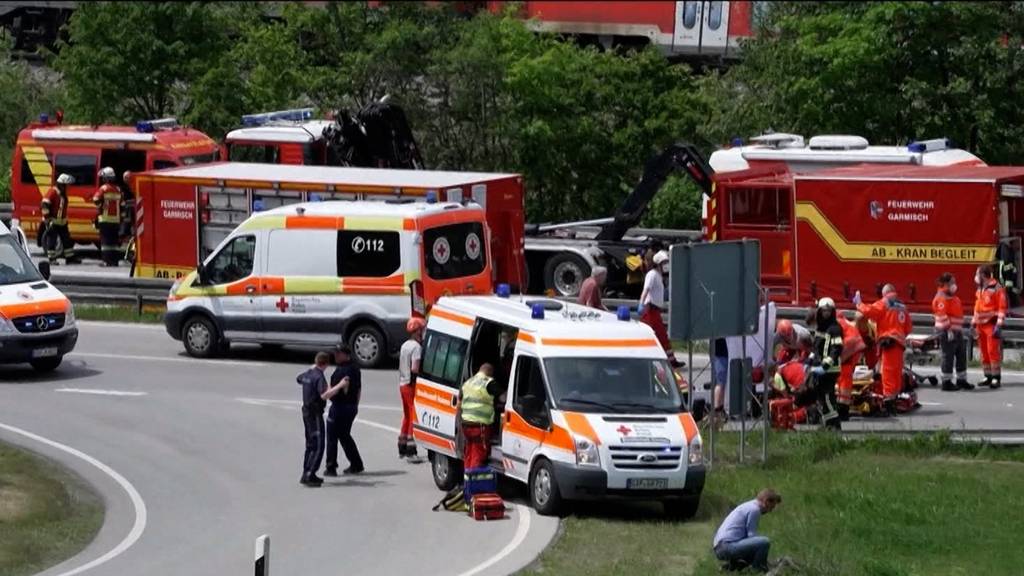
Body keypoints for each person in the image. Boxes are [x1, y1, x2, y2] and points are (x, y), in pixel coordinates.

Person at [855, 284, 913, 416]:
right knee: (896, 373)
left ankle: (889, 404)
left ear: (885, 293)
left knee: (887, 374)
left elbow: (870, 311)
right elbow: (908, 327)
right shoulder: (902, 306)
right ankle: (893, 400)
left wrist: (859, 303)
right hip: (899, 344)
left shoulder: (885, 302)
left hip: (888, 343)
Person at [713, 489, 782, 573]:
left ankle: (731, 567)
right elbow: (751, 536)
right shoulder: (754, 510)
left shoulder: (748, 505)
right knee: (764, 542)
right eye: (771, 507)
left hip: (719, 547)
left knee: (756, 550)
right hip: (726, 546)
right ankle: (757, 570)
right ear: (766, 501)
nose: (770, 511)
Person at [324, 345, 364, 476]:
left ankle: (331, 467)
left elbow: (336, 392)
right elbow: (358, 389)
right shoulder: (355, 368)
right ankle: (356, 464)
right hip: (351, 406)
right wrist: (355, 405)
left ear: (345, 354)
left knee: (332, 436)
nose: (335, 356)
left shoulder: (343, 371)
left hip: (339, 407)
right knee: (344, 435)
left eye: (338, 353)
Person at [807, 297, 843, 430]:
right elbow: (817, 347)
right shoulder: (820, 328)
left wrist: (825, 366)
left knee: (828, 397)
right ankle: (828, 424)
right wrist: (810, 359)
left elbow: (836, 349)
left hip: (830, 370)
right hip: (819, 367)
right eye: (824, 311)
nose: (826, 313)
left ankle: (834, 425)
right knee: (822, 398)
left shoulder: (835, 329)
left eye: (829, 311)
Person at [933, 273, 972, 392]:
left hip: (957, 331)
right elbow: (941, 314)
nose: (954, 285)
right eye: (952, 283)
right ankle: (946, 382)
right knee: (948, 356)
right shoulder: (941, 297)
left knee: (961, 356)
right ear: (945, 284)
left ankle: (961, 380)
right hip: (947, 331)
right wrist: (948, 329)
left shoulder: (952, 297)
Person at [296, 352, 331, 487]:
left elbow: (298, 379)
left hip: (306, 412)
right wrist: (339, 386)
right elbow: (324, 395)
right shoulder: (319, 377)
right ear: (326, 364)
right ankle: (310, 474)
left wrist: (310, 368)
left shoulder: (308, 374)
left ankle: (306, 471)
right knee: (318, 445)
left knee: (310, 444)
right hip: (315, 413)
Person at [459, 363, 502, 470]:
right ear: (490, 373)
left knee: (469, 453)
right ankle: (474, 484)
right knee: (478, 455)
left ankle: (467, 483)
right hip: (480, 427)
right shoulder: (489, 383)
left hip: (466, 425)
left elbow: (459, 401)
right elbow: (504, 398)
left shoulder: (468, 382)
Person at [973, 265, 1008, 389]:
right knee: (983, 352)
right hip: (980, 325)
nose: (976, 277)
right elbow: (977, 307)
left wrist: (999, 325)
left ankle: (996, 378)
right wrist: (973, 321)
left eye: (977, 274)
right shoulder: (980, 288)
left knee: (992, 351)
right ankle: (987, 376)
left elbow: (1002, 307)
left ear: (983, 275)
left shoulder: (997, 288)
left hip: (991, 324)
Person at [640, 250, 676, 363]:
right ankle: (669, 360)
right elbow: (646, 290)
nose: (666, 265)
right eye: (664, 263)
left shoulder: (658, 276)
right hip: (650, 309)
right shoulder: (652, 275)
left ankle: (671, 360)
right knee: (652, 335)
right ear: (659, 264)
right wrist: (641, 304)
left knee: (660, 335)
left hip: (654, 310)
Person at [398, 317, 425, 460]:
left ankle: (401, 446)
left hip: (402, 384)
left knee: (407, 415)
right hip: (411, 385)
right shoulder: (416, 347)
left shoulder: (405, 345)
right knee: (413, 415)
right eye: (421, 330)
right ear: (417, 331)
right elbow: (415, 368)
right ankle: (410, 450)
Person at [835, 311, 868, 420]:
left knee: (844, 375)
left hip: (851, 345)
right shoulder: (844, 321)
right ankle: (843, 406)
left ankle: (843, 409)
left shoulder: (835, 322)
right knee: (843, 376)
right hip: (855, 347)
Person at [41, 173, 80, 265]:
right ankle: (52, 259)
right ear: (62, 184)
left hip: (62, 222)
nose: (67, 187)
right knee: (52, 241)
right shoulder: (53, 192)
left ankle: (70, 258)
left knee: (67, 240)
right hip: (53, 222)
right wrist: (48, 220)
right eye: (66, 185)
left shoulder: (62, 193)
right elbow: (44, 205)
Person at [92, 166, 122, 267]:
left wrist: (101, 206)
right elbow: (123, 205)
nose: (103, 179)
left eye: (103, 177)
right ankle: (114, 261)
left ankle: (106, 261)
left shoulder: (104, 188)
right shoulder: (118, 189)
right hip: (116, 221)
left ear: (106, 178)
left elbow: (96, 200)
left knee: (105, 242)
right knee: (114, 243)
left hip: (105, 220)